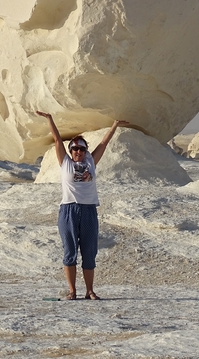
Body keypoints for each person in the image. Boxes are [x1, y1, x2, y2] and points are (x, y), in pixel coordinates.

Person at [36, 111, 129, 300]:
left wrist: (115, 125)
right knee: (70, 252)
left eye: (82, 149)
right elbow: (56, 140)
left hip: (88, 210)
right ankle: (72, 291)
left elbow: (103, 144)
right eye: (75, 149)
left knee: (89, 252)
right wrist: (49, 119)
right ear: (70, 152)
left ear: (86, 151)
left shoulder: (91, 162)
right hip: (69, 209)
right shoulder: (65, 164)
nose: (78, 152)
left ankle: (90, 291)